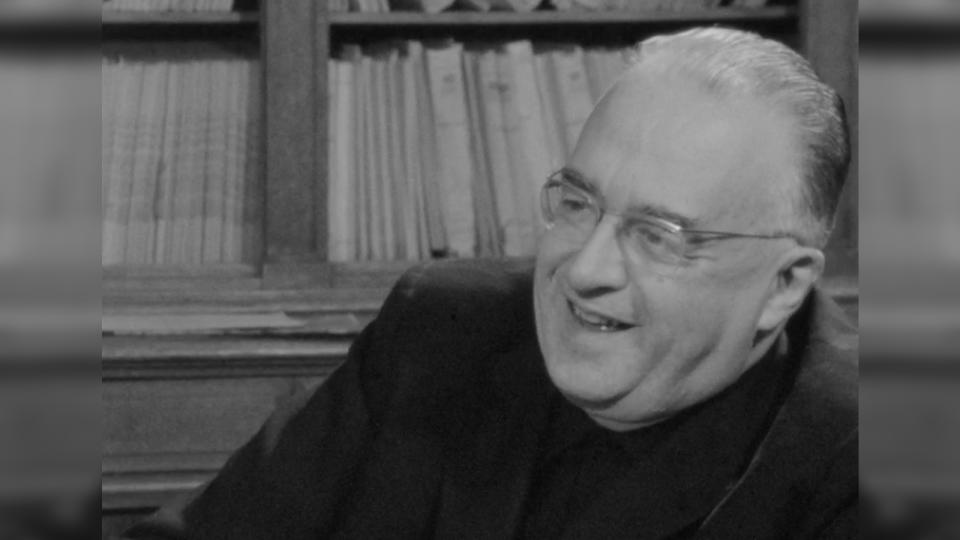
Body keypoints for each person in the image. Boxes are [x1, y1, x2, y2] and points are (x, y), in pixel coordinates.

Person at [125, 26, 856, 539]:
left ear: (784, 286)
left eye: (659, 236)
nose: (586, 270)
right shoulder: (441, 331)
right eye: (577, 203)